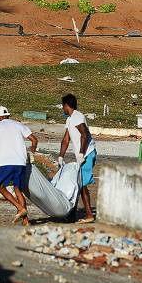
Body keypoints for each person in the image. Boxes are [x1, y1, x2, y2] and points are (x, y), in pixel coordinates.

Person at [0, 106, 38, 225]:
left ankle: (20, 208)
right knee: (18, 189)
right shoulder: (19, 125)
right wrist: (32, 151)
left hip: (6, 162)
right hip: (21, 162)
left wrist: (2, 153)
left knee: (0, 187)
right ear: (8, 115)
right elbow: (34, 140)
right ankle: (26, 221)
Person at [59, 93, 97, 223]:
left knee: (81, 184)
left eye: (63, 106)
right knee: (77, 182)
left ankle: (89, 215)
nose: (63, 109)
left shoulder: (77, 116)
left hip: (87, 153)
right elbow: (65, 140)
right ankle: (72, 214)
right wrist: (60, 156)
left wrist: (81, 153)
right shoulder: (69, 119)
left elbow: (84, 134)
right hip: (82, 154)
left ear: (66, 105)